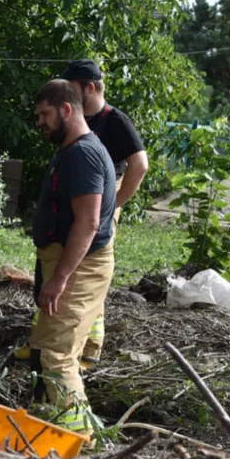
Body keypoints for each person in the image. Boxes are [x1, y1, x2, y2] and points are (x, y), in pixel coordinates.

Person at [26, 79, 116, 434]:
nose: (40, 122)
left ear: (67, 109)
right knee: (50, 351)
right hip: (71, 265)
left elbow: (89, 220)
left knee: (55, 357)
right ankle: (47, 428)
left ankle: (81, 445)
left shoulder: (82, 154)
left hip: (77, 269)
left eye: (45, 114)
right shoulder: (75, 149)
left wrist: (59, 279)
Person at [61, 59, 148, 369]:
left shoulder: (116, 121)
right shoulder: (76, 118)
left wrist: (115, 206)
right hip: (81, 197)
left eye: (73, 91)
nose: (67, 98)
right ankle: (64, 336)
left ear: (91, 87)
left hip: (103, 200)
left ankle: (90, 348)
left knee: (92, 274)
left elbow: (140, 166)